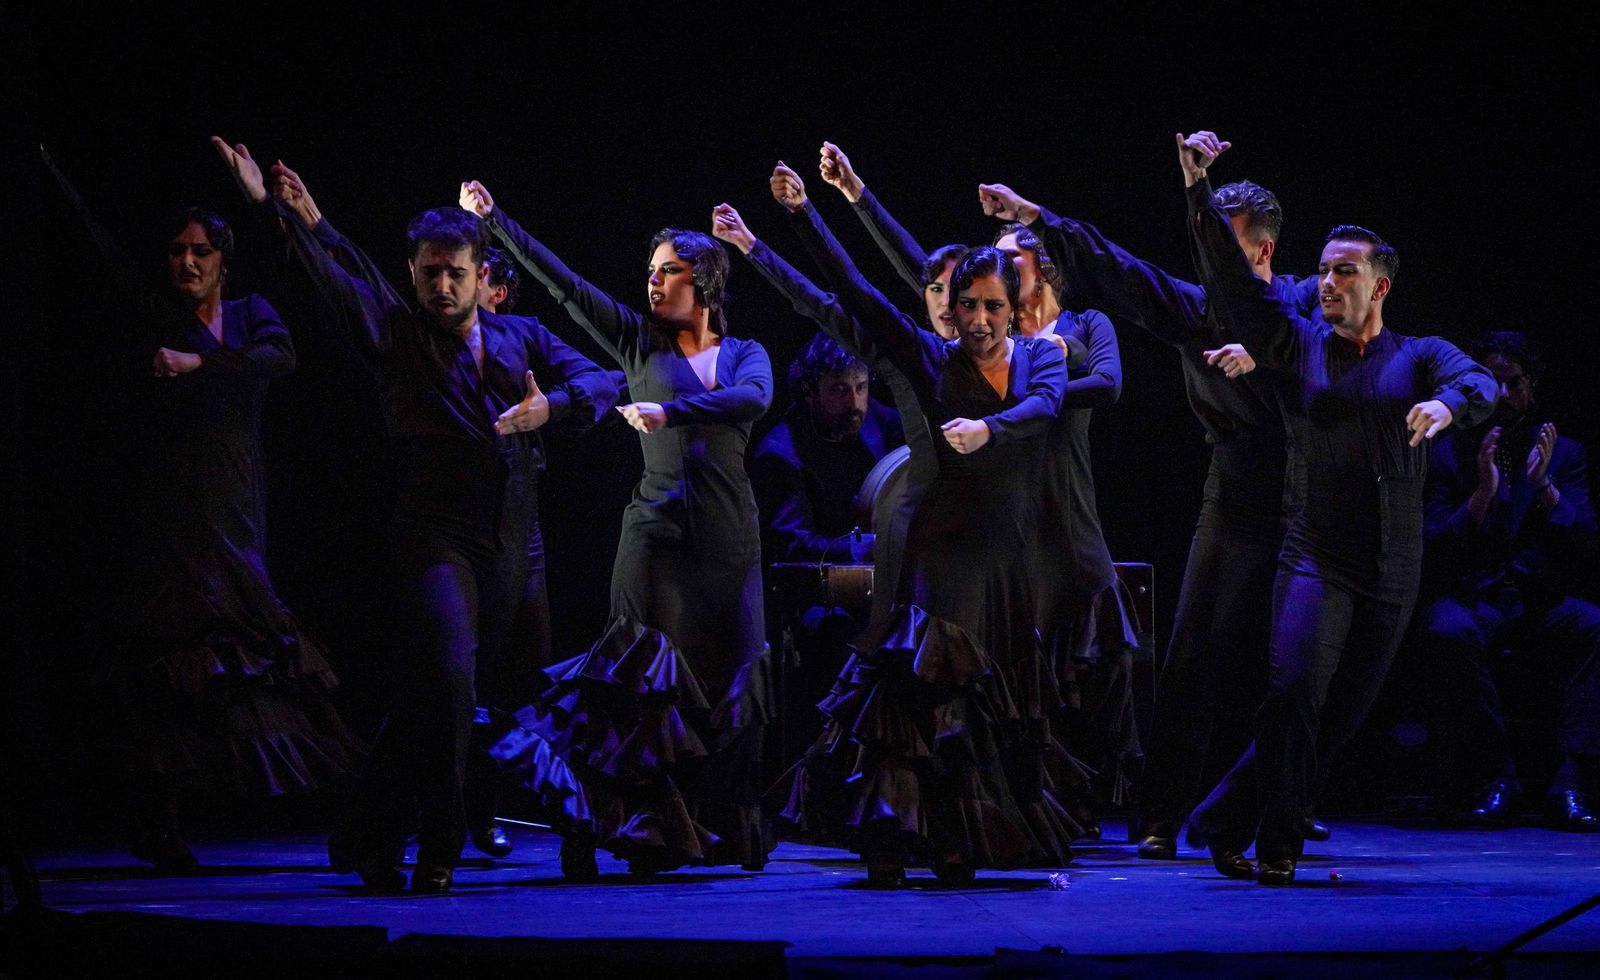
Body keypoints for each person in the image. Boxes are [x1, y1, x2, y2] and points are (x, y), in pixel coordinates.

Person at [214, 139, 617, 893]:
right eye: (428, 272)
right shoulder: (396, 336)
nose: (440, 285)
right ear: (413, 272)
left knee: (474, 696)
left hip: (516, 535)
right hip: (436, 529)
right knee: (449, 678)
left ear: (482, 277)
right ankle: (440, 843)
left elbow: (604, 377)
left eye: (454, 273)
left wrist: (550, 407)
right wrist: (273, 212)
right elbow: (334, 281)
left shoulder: (520, 336)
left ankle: (373, 831)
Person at [972, 139, 1325, 859]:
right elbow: (1120, 271)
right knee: (1192, 656)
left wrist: (1268, 354)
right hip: (1232, 492)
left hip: (1306, 495)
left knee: (1293, 667)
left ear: (1260, 253)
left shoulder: (1301, 302)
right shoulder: (1198, 312)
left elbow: (1329, 347)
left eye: (1221, 249)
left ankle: (1281, 800)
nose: (1207, 263)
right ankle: (1162, 815)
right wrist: (1036, 216)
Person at [1183, 133, 1497, 884]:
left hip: (1393, 565)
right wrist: (1197, 192)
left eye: (1343, 272)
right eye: (1322, 270)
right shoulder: (1298, 343)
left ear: (1380, 286)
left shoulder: (1419, 355)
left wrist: (1448, 408)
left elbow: (1480, 381)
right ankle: (1280, 843)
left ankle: (1225, 816)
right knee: (1293, 689)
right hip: (1316, 553)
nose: (1326, 283)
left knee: (1339, 717)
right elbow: (1238, 290)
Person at [42, 147, 361, 871]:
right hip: (172, 519)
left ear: (224, 260)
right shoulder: (153, 314)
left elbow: (282, 358)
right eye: (178, 252)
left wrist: (201, 364)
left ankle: (336, 805)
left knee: (262, 656)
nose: (186, 264)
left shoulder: (251, 318)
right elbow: (99, 250)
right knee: (176, 666)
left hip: (237, 514)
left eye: (200, 253)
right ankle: (159, 820)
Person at [759, 178, 1074, 882]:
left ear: (1015, 309)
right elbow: (850, 288)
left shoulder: (1043, 357)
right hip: (940, 550)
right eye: (968, 306)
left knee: (989, 700)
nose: (981, 319)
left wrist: (987, 427)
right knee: (928, 693)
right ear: (953, 309)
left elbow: (1047, 408)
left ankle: (965, 835)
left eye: (994, 306)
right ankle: (899, 837)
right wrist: (804, 214)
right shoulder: (932, 360)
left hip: (1006, 562)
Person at [461, 180, 777, 879]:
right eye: (651, 271)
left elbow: (754, 400)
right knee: (635, 688)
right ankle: (631, 830)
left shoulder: (746, 354)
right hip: (655, 539)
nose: (654, 282)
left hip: (730, 545)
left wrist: (670, 415)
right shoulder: (638, 341)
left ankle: (722, 825)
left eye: (669, 271)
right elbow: (566, 284)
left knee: (738, 688)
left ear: (707, 282)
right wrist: (497, 220)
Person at [1420, 330, 1599, 831]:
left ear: (1530, 386)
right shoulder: (1448, 450)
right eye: (1490, 383)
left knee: (1594, 627)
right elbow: (1432, 541)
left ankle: (1570, 782)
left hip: (1538, 598)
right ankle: (1497, 777)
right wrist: (1480, 495)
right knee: (1446, 631)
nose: (1501, 396)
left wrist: (1545, 491)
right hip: (1476, 596)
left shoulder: (1564, 452)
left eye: (1512, 383)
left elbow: (1588, 539)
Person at [751, 334, 902, 566]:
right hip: (822, 592)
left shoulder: (877, 418)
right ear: (809, 392)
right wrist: (859, 548)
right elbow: (792, 545)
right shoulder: (779, 454)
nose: (854, 403)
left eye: (860, 387)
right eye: (839, 390)